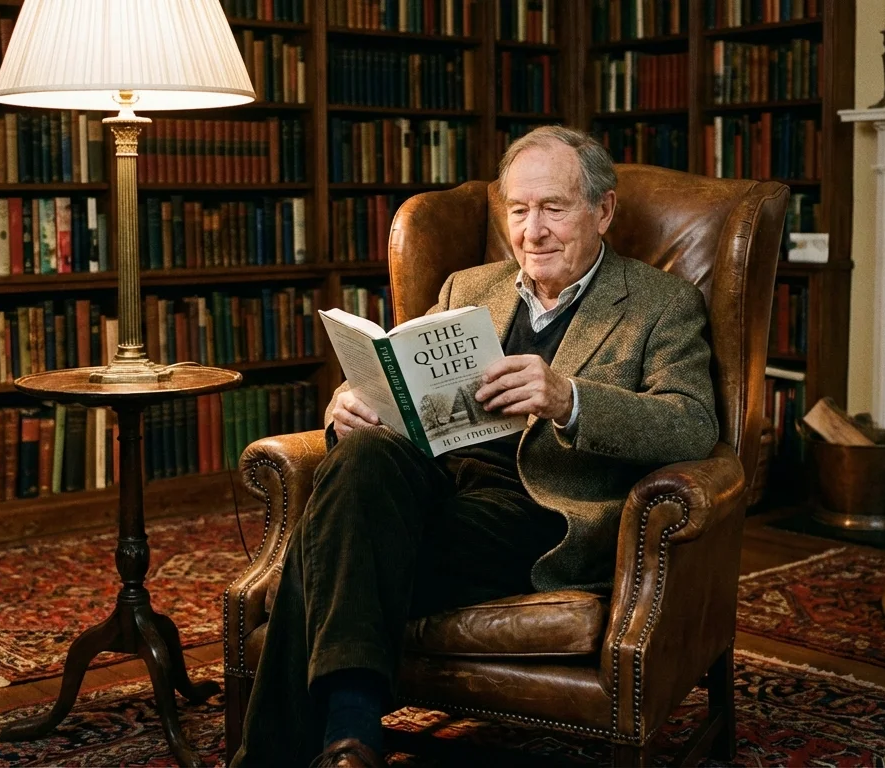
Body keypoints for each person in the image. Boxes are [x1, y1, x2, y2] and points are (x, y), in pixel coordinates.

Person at [231, 126, 719, 768]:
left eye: (554, 208)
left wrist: (567, 397)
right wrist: (348, 406)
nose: (532, 231)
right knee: (361, 459)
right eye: (518, 210)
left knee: (331, 543)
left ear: (602, 211)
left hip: (541, 513)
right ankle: (348, 746)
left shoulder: (661, 302)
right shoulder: (469, 287)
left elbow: (691, 425)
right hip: (433, 482)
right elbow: (396, 377)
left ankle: (322, 743)